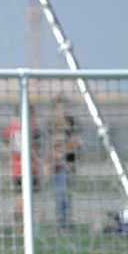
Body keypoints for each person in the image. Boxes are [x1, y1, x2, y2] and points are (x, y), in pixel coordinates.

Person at [4, 104, 42, 232]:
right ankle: (23, 225)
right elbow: (36, 148)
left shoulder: (11, 127)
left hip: (19, 168)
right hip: (27, 168)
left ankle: (23, 225)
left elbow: (7, 149)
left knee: (23, 196)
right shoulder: (31, 127)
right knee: (26, 197)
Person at [48, 94, 80, 230]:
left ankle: (66, 222)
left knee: (64, 193)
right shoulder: (51, 123)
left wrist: (63, 152)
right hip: (55, 165)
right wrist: (49, 161)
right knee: (57, 194)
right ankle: (61, 222)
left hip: (67, 164)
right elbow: (48, 144)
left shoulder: (71, 121)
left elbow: (77, 142)